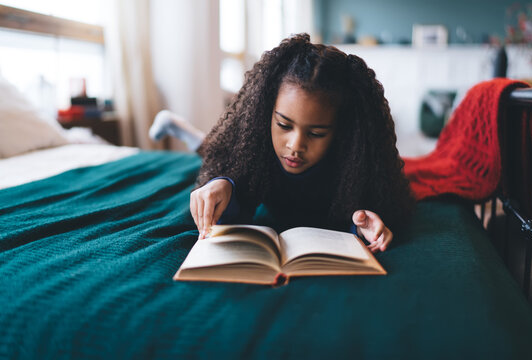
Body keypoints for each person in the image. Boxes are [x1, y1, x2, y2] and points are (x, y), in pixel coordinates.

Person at [150, 33, 415, 253]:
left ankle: (183, 130)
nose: (295, 145)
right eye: (284, 125)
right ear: (266, 115)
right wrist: (222, 184)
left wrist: (363, 225)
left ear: (342, 133)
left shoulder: (352, 165)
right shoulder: (257, 148)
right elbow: (236, 202)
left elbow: (363, 212)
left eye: (317, 133)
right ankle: (180, 129)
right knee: (214, 150)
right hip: (243, 157)